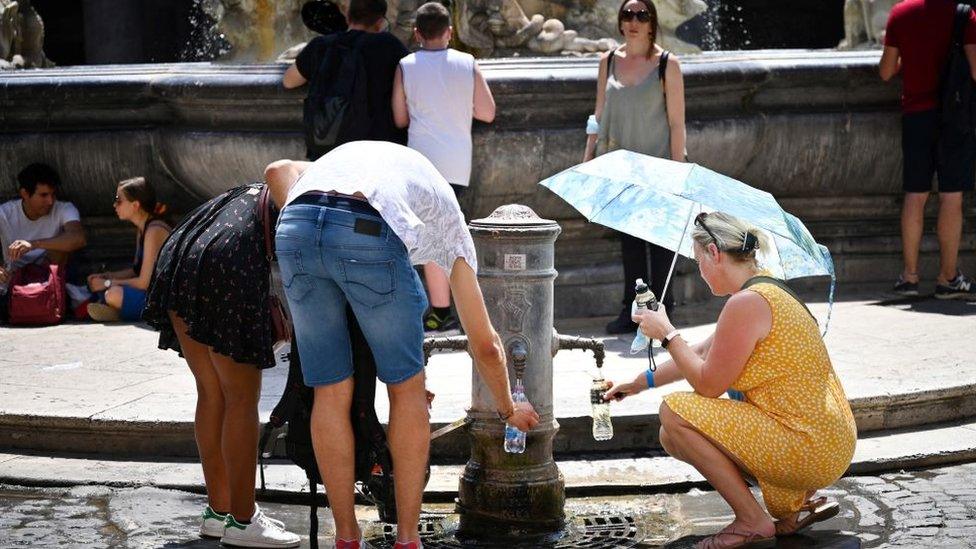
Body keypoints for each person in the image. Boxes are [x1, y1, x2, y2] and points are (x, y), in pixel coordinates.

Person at [264, 141, 540, 549]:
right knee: (407, 390)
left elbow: (275, 169)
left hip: (295, 227)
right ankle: (408, 539)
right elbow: (485, 344)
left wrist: (321, 238)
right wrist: (508, 408)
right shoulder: (447, 212)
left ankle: (345, 537)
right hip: (365, 227)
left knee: (330, 391)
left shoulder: (345, 160)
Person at [605, 212, 857, 549]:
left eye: (698, 261)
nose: (700, 271)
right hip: (826, 440)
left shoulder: (747, 303)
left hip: (809, 445)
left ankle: (752, 521)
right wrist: (638, 382)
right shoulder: (764, 288)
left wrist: (666, 333)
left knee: (675, 413)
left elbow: (708, 385)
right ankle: (794, 504)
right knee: (672, 435)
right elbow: (702, 351)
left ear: (714, 253)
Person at [143, 183, 300, 548]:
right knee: (242, 399)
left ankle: (219, 512)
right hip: (229, 264)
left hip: (181, 255)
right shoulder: (322, 191)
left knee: (211, 391)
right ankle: (244, 521)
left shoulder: (256, 188)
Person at [582, 0, 688, 334]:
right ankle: (633, 313)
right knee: (628, 245)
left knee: (658, 245)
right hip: (618, 168)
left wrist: (677, 171)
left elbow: (677, 125)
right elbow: (597, 117)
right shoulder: (608, 61)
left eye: (641, 15)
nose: (633, 21)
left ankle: (662, 313)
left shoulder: (667, 64)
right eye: (627, 15)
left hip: (656, 167)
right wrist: (587, 159)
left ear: (653, 21)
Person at [391, 1, 497, 332]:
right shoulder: (467, 63)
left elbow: (399, 118)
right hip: (456, 163)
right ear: (450, 32)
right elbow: (487, 112)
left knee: (429, 238)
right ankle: (466, 310)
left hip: (421, 165)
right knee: (453, 236)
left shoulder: (406, 65)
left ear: (416, 33)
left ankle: (440, 310)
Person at [880, 0, 976, 299]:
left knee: (915, 193)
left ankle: (909, 277)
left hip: (916, 116)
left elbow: (885, 72)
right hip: (955, 116)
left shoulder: (900, 13)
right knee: (951, 196)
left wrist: (914, 57)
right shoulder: (965, 15)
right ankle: (948, 278)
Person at [283, 0, 409, 159]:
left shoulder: (321, 45)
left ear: (348, 17)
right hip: (375, 151)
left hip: (327, 152)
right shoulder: (389, 45)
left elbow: (289, 81)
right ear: (380, 22)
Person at [85, 177, 171, 322]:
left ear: (135, 205)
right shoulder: (143, 229)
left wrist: (108, 283)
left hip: (164, 300)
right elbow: (136, 270)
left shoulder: (154, 230)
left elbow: (144, 282)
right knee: (106, 289)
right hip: (151, 293)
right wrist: (107, 276)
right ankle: (116, 309)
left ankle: (117, 310)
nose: (114, 205)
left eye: (119, 201)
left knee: (113, 294)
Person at [0, 163, 86, 294]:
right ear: (25, 193)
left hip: (49, 278)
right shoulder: (5, 214)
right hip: (14, 278)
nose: (50, 201)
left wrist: (34, 244)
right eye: (43, 195)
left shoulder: (64, 209)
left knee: (62, 248)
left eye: (53, 194)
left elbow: (78, 239)